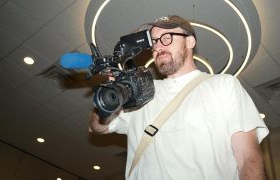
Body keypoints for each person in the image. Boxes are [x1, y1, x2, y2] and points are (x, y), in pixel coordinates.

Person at [89, 15, 269, 180]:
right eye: (154, 42)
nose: (158, 46)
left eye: (166, 38)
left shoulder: (223, 85)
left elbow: (248, 158)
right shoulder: (139, 92)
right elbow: (98, 127)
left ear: (190, 41)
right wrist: (111, 99)